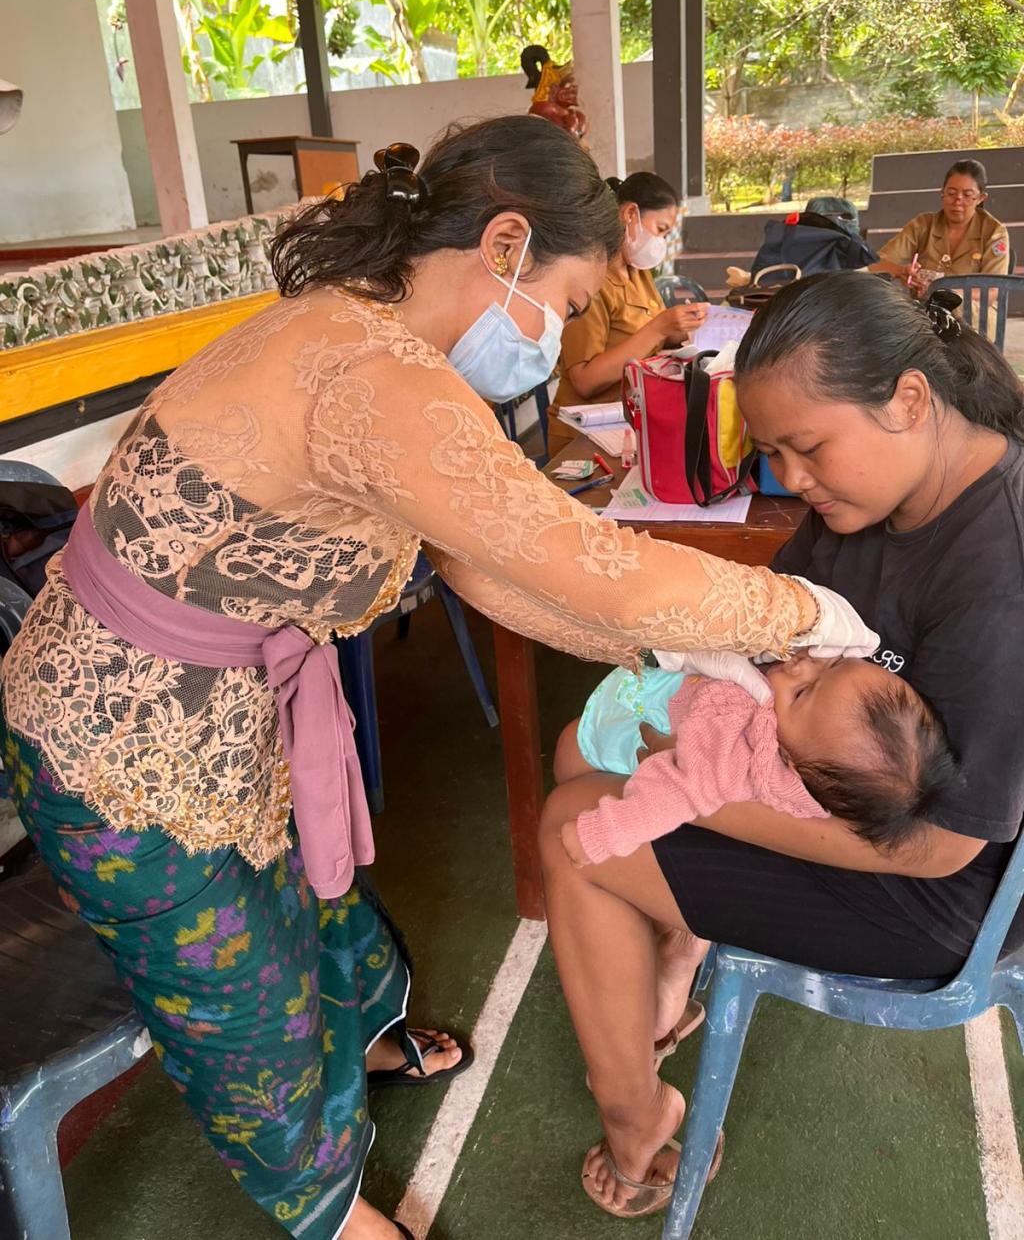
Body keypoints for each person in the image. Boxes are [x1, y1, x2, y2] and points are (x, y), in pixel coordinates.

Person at [0, 118, 873, 1240]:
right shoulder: (377, 378)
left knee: (314, 900)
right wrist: (800, 614)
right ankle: (328, 1211)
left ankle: (363, 1036)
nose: (552, 338)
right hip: (118, 739)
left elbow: (487, 571)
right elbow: (590, 566)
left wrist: (668, 648)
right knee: (239, 1000)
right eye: (562, 302)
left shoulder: (363, 334)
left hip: (209, 713)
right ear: (504, 245)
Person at [539, 269, 1024, 1220]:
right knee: (579, 750)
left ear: (909, 401)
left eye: (807, 449)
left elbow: (942, 846)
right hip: (822, 789)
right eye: (771, 453)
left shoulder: (998, 569)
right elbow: (776, 622)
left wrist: (693, 785)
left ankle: (636, 1114)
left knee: (575, 828)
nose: (792, 480)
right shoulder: (874, 496)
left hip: (934, 890)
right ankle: (676, 938)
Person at [556, 651, 961, 864]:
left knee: (570, 752)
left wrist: (600, 835)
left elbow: (674, 797)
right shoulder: (803, 725)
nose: (802, 665)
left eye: (802, 692)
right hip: (664, 680)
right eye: (834, 665)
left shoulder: (734, 758)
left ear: (792, 764)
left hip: (631, 726)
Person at [547, 171, 709, 452]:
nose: (661, 242)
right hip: (584, 433)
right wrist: (659, 327)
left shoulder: (638, 273)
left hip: (629, 419)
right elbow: (585, 381)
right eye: (660, 230)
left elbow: (653, 332)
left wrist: (679, 327)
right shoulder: (592, 279)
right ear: (631, 214)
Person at [870, 159, 1011, 290]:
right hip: (924, 307)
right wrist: (901, 271)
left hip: (971, 307)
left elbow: (993, 290)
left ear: (980, 198)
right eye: (951, 193)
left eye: (967, 195)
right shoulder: (923, 225)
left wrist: (948, 295)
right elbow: (875, 263)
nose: (957, 201)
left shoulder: (993, 232)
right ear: (942, 193)